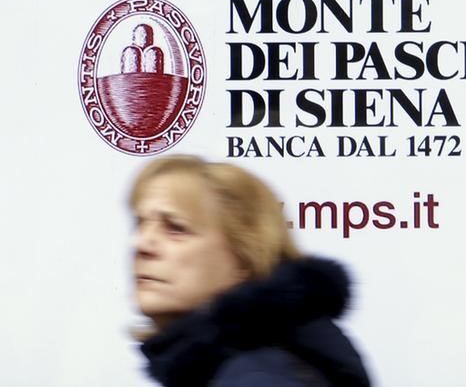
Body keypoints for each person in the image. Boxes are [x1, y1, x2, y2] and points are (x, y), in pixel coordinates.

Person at [129, 155, 371, 387]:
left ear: (244, 259)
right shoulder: (246, 369)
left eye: (175, 228)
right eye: (140, 224)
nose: (141, 244)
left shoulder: (257, 377)